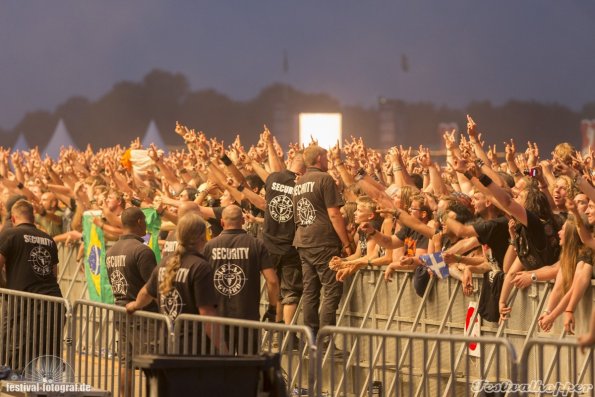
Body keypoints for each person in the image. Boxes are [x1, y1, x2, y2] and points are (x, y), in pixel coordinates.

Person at [126, 212, 225, 354]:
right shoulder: (200, 266)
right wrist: (223, 348)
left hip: (167, 344)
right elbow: (207, 313)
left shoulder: (164, 263)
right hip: (194, 347)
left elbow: (146, 292)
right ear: (202, 236)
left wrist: (134, 305)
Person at [292, 145, 352, 345]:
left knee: (310, 292)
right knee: (332, 290)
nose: (327, 161)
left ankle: (309, 339)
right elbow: (334, 214)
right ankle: (326, 343)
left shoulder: (299, 182)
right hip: (323, 241)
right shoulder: (324, 179)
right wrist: (346, 242)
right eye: (326, 157)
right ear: (319, 158)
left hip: (303, 240)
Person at [204, 205, 279, 354]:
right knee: (248, 366)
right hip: (248, 317)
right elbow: (273, 281)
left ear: (222, 223)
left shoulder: (209, 246)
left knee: (219, 367)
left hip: (218, 317)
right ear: (243, 221)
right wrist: (272, 309)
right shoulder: (256, 244)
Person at [0, 199, 63, 372]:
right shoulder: (49, 239)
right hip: (53, 302)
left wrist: (5, 287)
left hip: (24, 305)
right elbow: (54, 273)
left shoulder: (10, 234)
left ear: (13, 219)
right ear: (33, 218)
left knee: (20, 356)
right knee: (50, 354)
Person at [104, 206, 157, 396]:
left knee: (126, 362)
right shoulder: (142, 251)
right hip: (143, 314)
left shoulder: (111, 251)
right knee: (153, 362)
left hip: (121, 310)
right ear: (140, 222)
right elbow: (155, 286)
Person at [263, 152, 306, 325]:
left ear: (290, 161)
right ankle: (288, 336)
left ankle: (276, 331)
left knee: (274, 287)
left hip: (269, 244)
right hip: (290, 247)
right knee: (291, 292)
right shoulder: (302, 184)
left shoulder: (273, 178)